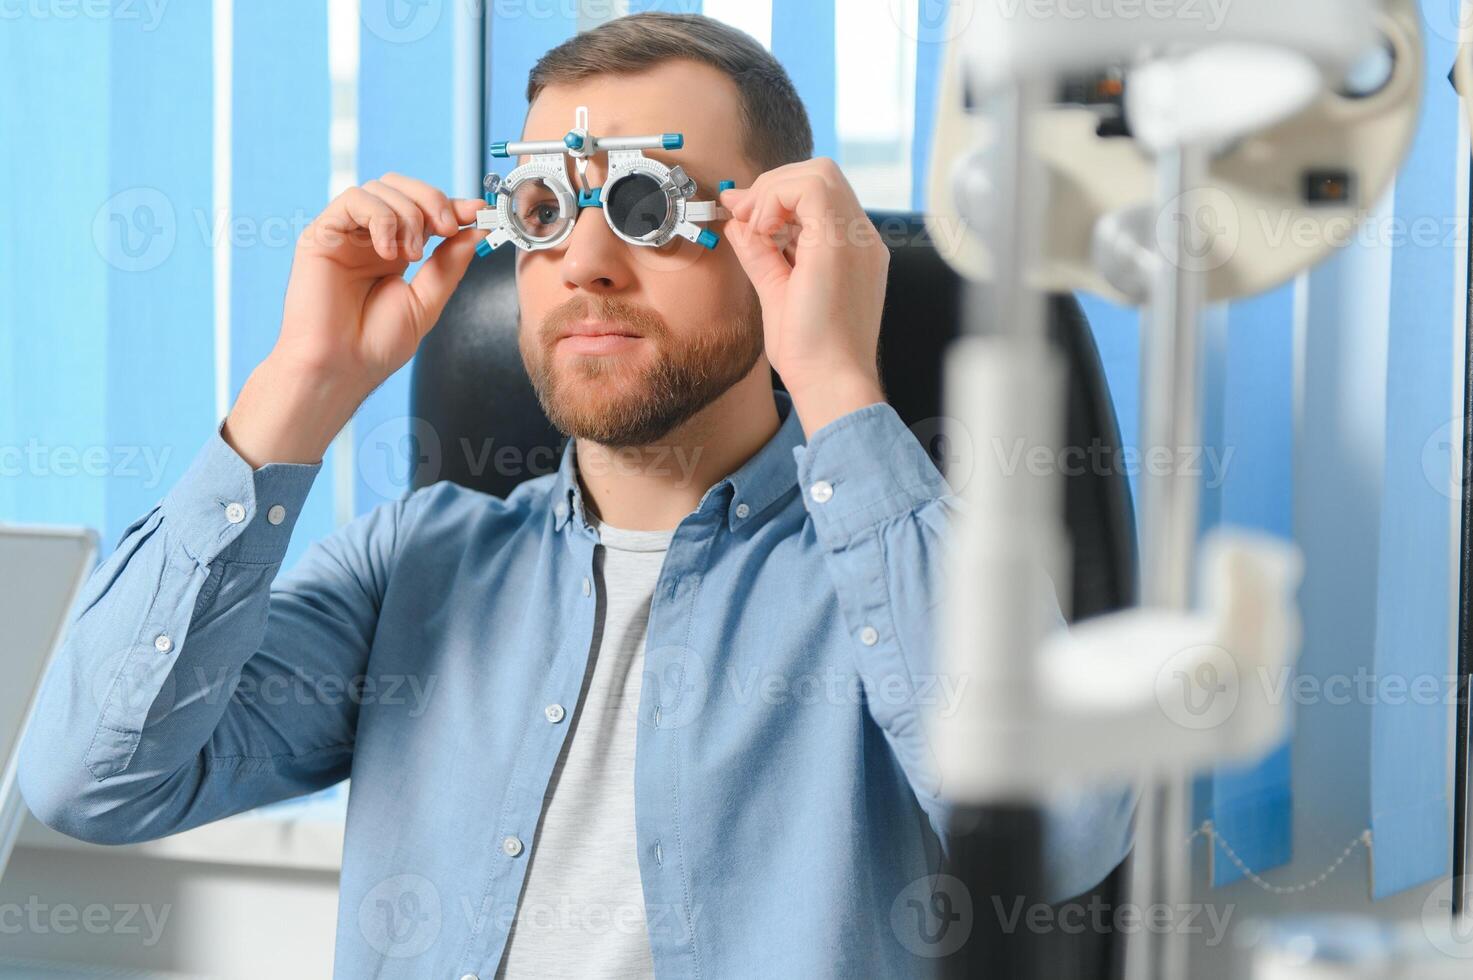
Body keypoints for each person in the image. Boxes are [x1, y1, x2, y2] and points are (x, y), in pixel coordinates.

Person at [18, 12, 1134, 979]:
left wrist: (838, 378)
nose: (588, 260)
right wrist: (299, 387)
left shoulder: (908, 570)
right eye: (546, 207)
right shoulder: (417, 562)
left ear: (776, 240)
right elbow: (90, 780)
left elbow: (1066, 833)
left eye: (649, 204)